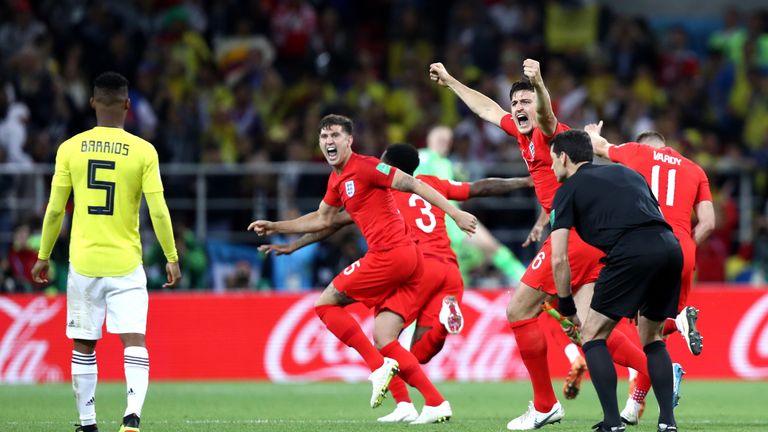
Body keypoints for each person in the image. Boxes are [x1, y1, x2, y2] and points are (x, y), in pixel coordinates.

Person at [429, 60, 652, 430]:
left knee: (518, 311)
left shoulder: (551, 133)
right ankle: (656, 370)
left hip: (572, 236)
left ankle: (545, 404)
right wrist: (452, 80)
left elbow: (547, 114)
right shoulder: (520, 133)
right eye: (515, 101)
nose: (518, 107)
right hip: (588, 237)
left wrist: (540, 83)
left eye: (525, 101)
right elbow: (486, 108)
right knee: (590, 329)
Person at [260, 142, 533, 422]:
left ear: (386, 163)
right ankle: (415, 389)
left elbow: (332, 222)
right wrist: (526, 180)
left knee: (384, 339)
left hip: (416, 267)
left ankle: (412, 397)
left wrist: (294, 244)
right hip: (450, 271)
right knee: (415, 356)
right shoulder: (430, 183)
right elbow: (480, 187)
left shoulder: (381, 189)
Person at [30, 72, 181, 432]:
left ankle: (87, 423)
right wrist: (171, 256)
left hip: (83, 263)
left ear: (93, 103)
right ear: (128, 105)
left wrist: (43, 254)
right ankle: (131, 419)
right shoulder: (144, 151)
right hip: (126, 263)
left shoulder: (69, 148)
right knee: (134, 340)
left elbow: (54, 209)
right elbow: (158, 210)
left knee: (83, 345)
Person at [549, 129, 683, 432]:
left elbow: (559, 258)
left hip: (630, 251)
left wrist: (567, 305)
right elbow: (655, 212)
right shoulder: (628, 173)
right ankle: (667, 422)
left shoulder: (566, 191)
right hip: (668, 247)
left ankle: (612, 422)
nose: (552, 167)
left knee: (593, 336)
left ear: (565, 158)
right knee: (653, 339)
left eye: (553, 160)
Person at [586, 125, 715, 423]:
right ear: (666, 145)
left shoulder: (636, 153)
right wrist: (685, 248)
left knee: (636, 328)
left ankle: (678, 323)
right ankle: (637, 407)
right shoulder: (695, 169)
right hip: (682, 250)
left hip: (642, 245)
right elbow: (708, 222)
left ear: (644, 145)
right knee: (653, 333)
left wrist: (592, 132)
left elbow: (598, 146)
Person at [414, 125, 527, 285]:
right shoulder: (423, 157)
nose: (444, 142)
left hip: (454, 218)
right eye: (440, 138)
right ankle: (524, 281)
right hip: (437, 220)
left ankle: (524, 282)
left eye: (447, 140)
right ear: (429, 140)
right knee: (480, 252)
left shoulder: (447, 163)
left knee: (487, 249)